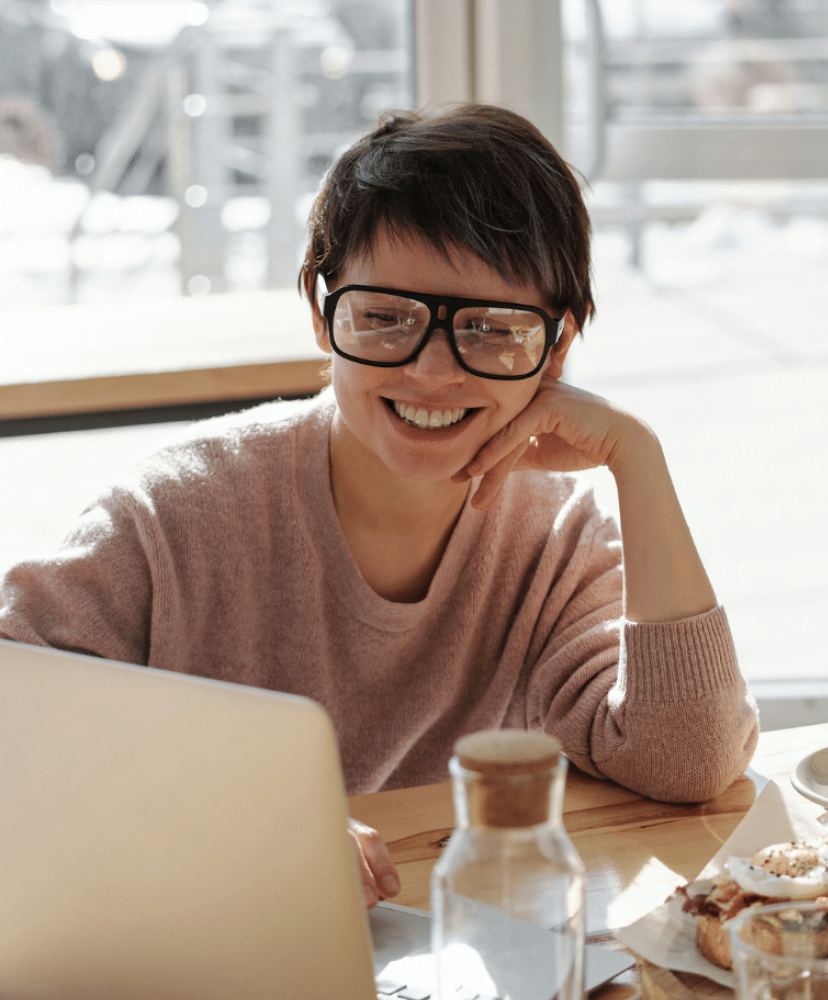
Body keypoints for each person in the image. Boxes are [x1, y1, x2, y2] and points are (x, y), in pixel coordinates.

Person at [0, 105, 759, 908]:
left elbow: (690, 760)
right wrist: (245, 815)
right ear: (323, 313)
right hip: (191, 933)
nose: (432, 372)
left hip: (434, 946)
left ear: (556, 348)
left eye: (492, 329)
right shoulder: (179, 508)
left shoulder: (556, 535)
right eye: (386, 318)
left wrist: (635, 458)